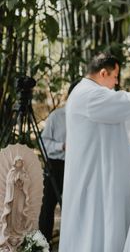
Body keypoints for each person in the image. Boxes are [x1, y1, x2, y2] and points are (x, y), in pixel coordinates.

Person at [59, 53, 130, 252]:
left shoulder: (88, 92)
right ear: (103, 72)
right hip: (94, 179)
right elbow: (125, 102)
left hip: (98, 176)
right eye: (115, 77)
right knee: (94, 229)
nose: (116, 83)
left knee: (100, 227)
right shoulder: (89, 94)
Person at [38, 79, 80, 243]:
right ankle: (42, 244)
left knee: (74, 206)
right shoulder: (57, 116)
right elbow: (43, 143)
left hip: (78, 166)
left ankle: (73, 242)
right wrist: (61, 146)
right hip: (56, 165)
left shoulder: (89, 118)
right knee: (48, 206)